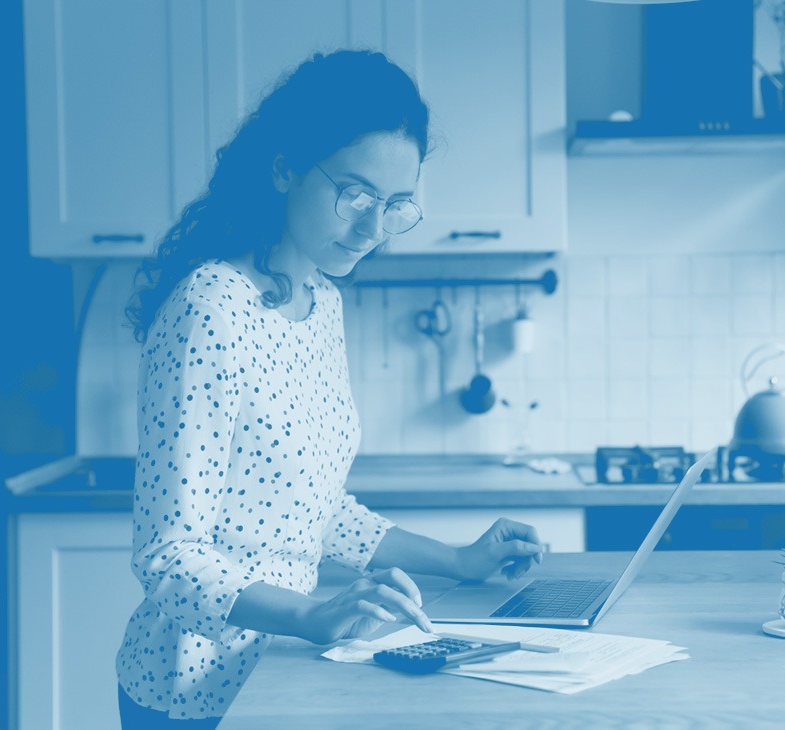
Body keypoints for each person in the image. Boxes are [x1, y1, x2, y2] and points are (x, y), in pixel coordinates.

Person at [116, 49, 545, 727]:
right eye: (355, 196)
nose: (373, 229)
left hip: (288, 670)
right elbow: (170, 559)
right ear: (284, 168)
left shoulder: (320, 302)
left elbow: (312, 509)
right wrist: (315, 616)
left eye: (395, 205)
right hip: (194, 690)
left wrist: (459, 562)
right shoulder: (211, 307)